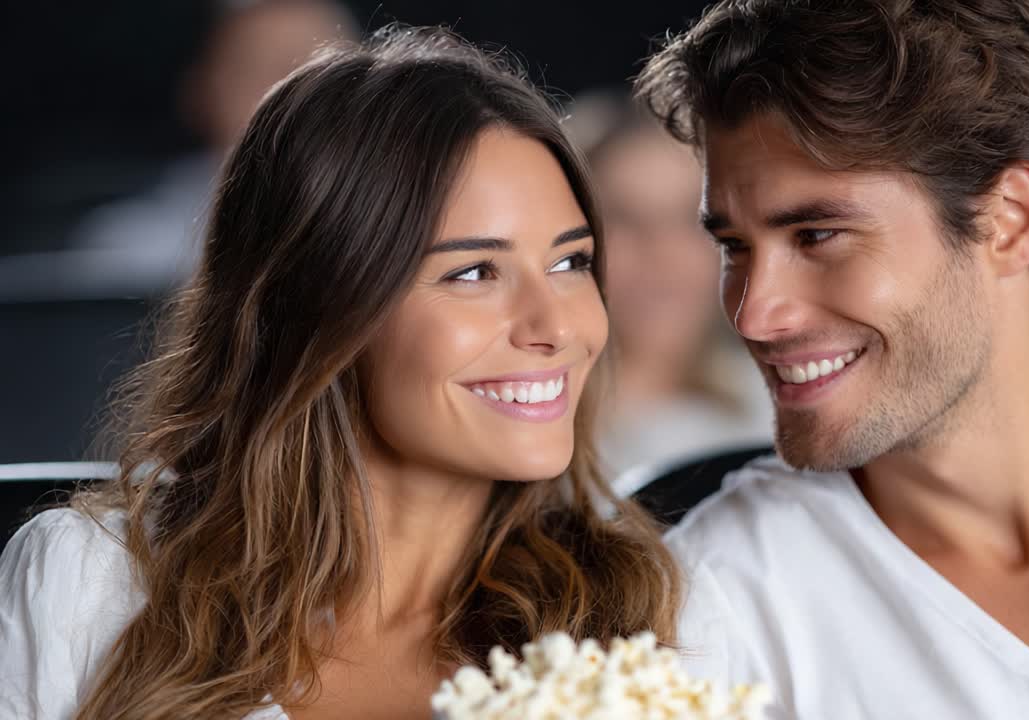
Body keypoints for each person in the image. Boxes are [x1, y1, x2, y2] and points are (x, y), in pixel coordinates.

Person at [0, 27, 681, 720]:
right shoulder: (88, 585)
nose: (557, 327)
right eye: (475, 272)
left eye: (570, 262)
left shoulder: (641, 620)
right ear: (323, 306)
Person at [634, 1, 1029, 717]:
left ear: (1011, 220)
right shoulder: (713, 603)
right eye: (734, 247)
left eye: (817, 235)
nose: (754, 314)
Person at [68, 0, 355, 292]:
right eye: (257, 72)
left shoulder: (380, 244)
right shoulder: (128, 254)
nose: (294, 103)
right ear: (200, 91)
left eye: (326, 79)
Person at [564, 91, 773, 483]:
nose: (662, 251)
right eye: (624, 217)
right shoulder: (532, 431)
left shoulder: (776, 407)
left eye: (690, 218)